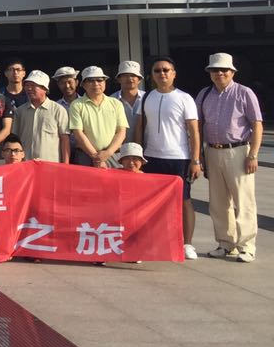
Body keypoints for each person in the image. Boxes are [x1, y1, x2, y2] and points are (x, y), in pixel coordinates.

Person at [196, 53, 263, 263]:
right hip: (212, 151)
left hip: (238, 150)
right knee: (218, 201)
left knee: (243, 200)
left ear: (232, 72)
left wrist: (253, 154)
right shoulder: (204, 95)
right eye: (215, 70)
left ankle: (247, 246)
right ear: (210, 73)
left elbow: (257, 124)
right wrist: (199, 155)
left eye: (224, 70)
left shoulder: (244, 93)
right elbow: (198, 125)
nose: (219, 73)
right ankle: (226, 243)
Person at [133, 56, 201, 260]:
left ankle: (187, 243)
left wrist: (195, 160)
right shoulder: (146, 98)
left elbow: (194, 131)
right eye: (157, 70)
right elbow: (140, 127)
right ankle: (153, 241)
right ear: (151, 75)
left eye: (166, 70)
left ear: (174, 74)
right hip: (151, 157)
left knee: (184, 200)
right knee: (151, 202)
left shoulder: (184, 98)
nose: (162, 73)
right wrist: (138, 154)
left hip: (179, 157)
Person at [67, 66, 128, 168]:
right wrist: (96, 157)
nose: (96, 84)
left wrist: (108, 153)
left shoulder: (116, 103)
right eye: (91, 80)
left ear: (105, 82)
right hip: (86, 156)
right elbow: (78, 133)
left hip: (113, 155)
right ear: (83, 85)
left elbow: (121, 132)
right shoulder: (76, 105)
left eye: (99, 80)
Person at [14, 71, 70, 163]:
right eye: (27, 85)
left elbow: (65, 139)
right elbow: (15, 139)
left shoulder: (58, 110)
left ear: (44, 89)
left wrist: (65, 164)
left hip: (50, 164)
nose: (29, 89)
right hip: (26, 164)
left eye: (33, 86)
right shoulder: (20, 111)